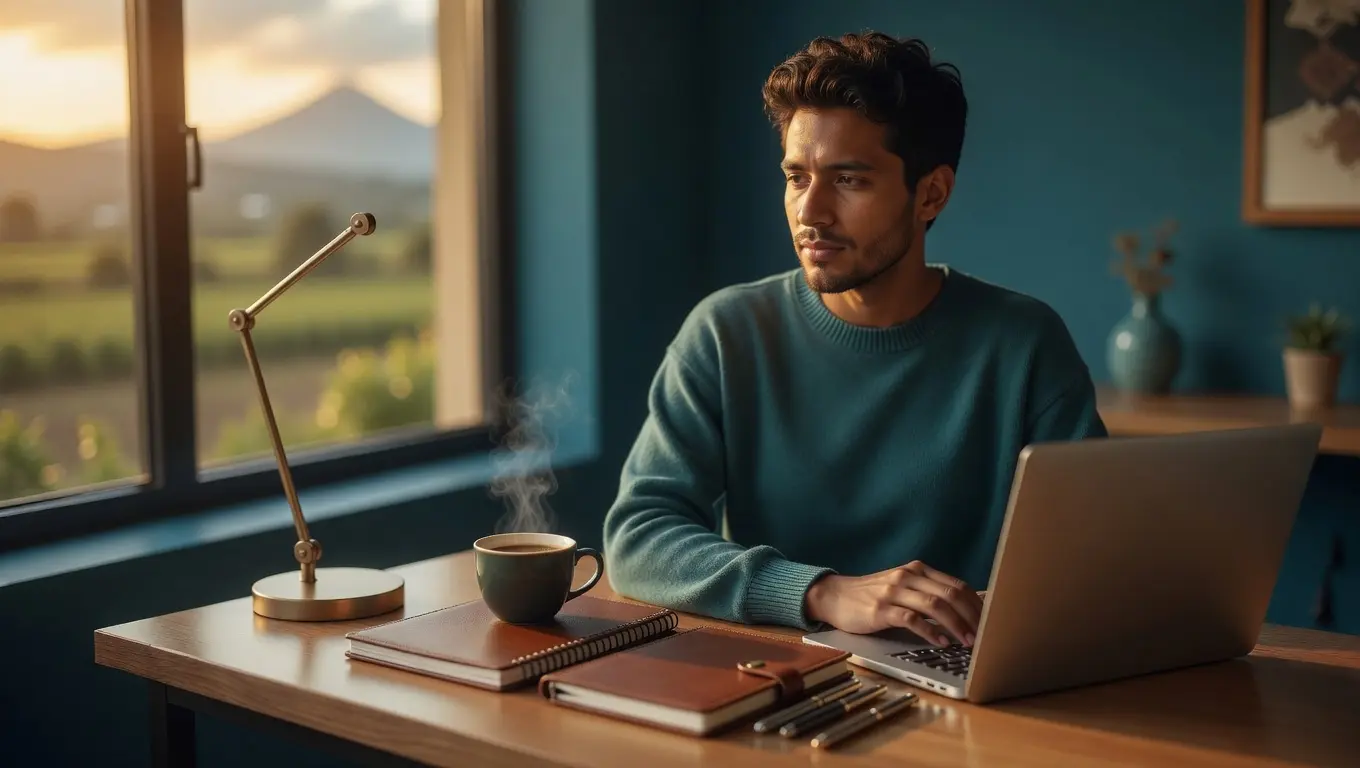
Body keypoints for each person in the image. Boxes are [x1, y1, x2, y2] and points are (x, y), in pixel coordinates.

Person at [602, 31, 1106, 648]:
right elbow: (639, 538)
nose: (810, 211)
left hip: (958, 673)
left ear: (931, 193)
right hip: (781, 674)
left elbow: (1094, 559)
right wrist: (821, 592)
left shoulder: (1025, 345)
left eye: (848, 180)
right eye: (796, 177)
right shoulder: (726, 333)